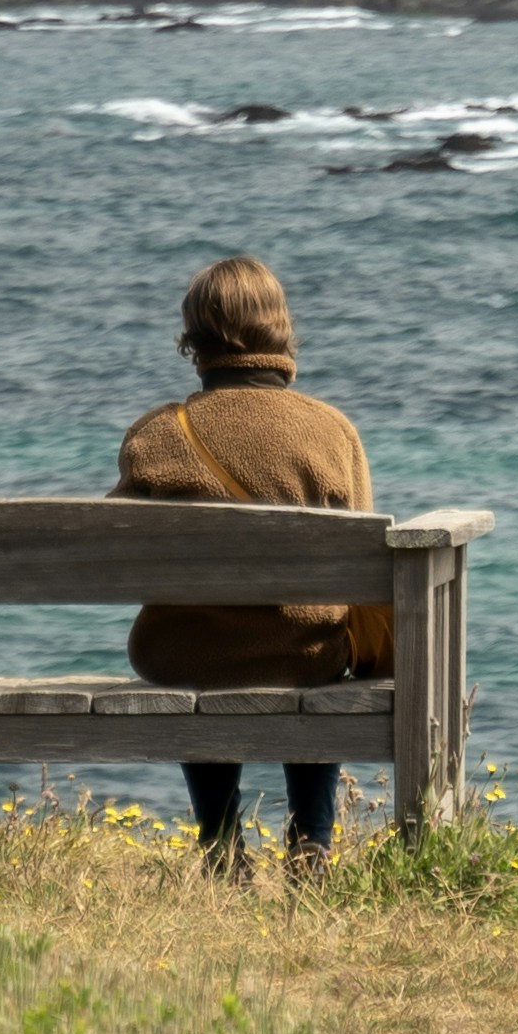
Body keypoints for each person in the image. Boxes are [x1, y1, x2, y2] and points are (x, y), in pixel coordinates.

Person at [112, 252, 384, 868]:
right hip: (307, 653)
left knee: (197, 647)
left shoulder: (155, 433)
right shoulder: (331, 430)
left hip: (185, 653)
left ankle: (220, 841)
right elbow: (366, 553)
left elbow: (115, 542)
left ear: (193, 343)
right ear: (280, 332)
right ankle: (311, 840)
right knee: (308, 645)